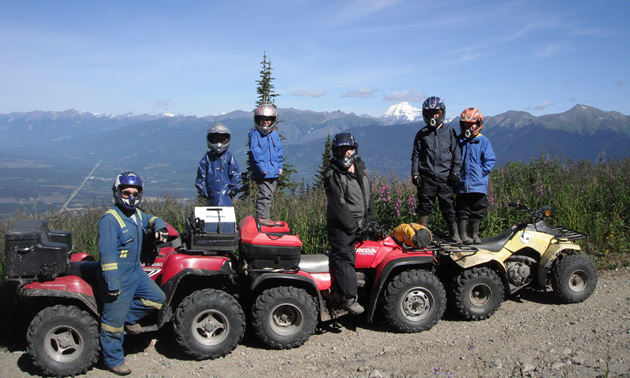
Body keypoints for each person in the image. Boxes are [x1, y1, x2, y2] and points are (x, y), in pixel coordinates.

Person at [98, 171, 168, 375]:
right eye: (126, 192)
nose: (131, 197)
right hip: (119, 276)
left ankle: (128, 318)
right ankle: (113, 360)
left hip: (135, 271)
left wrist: (160, 226)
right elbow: (107, 255)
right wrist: (112, 283)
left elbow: (151, 218)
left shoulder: (136, 214)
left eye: (135, 193)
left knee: (157, 298)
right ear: (117, 192)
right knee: (112, 322)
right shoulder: (110, 219)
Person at [324, 133, 375, 315]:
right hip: (341, 225)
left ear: (354, 150)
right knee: (344, 257)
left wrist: (371, 221)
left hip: (361, 223)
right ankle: (348, 298)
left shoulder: (361, 168)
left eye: (348, 149)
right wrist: (353, 227)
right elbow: (338, 204)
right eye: (341, 150)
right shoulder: (332, 173)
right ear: (335, 152)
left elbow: (368, 197)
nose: (345, 153)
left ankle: (366, 294)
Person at [411, 96, 462, 243]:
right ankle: (422, 236)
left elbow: (456, 153)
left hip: (446, 177)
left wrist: (455, 171)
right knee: (424, 206)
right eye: (429, 113)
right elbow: (415, 155)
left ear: (442, 113)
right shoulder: (422, 134)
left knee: (448, 206)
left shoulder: (450, 132)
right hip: (427, 178)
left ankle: (454, 235)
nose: (434, 116)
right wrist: (415, 173)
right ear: (425, 114)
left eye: (436, 113)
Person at [455, 107, 496, 244]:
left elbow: (490, 160)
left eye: (472, 123)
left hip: (478, 185)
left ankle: (475, 234)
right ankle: (463, 235)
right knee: (462, 209)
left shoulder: (483, 141)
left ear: (478, 124)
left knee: (478, 209)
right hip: (461, 184)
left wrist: (480, 174)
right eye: (466, 123)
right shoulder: (458, 140)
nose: (469, 126)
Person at [248, 103, 283, 226]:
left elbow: (279, 152)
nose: (266, 122)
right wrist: (261, 167)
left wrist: (280, 166)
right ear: (258, 120)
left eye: (268, 120)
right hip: (263, 171)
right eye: (263, 120)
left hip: (273, 170)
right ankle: (262, 217)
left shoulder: (274, 135)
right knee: (265, 193)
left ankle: (265, 216)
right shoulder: (255, 134)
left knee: (269, 194)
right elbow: (255, 152)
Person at [195, 123, 242, 206]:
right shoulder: (207, 158)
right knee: (212, 216)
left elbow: (235, 173)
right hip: (211, 195)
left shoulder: (228, 157)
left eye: (221, 140)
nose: (219, 143)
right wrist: (203, 189)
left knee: (227, 216)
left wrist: (234, 188)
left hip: (226, 195)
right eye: (216, 139)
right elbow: (201, 177)